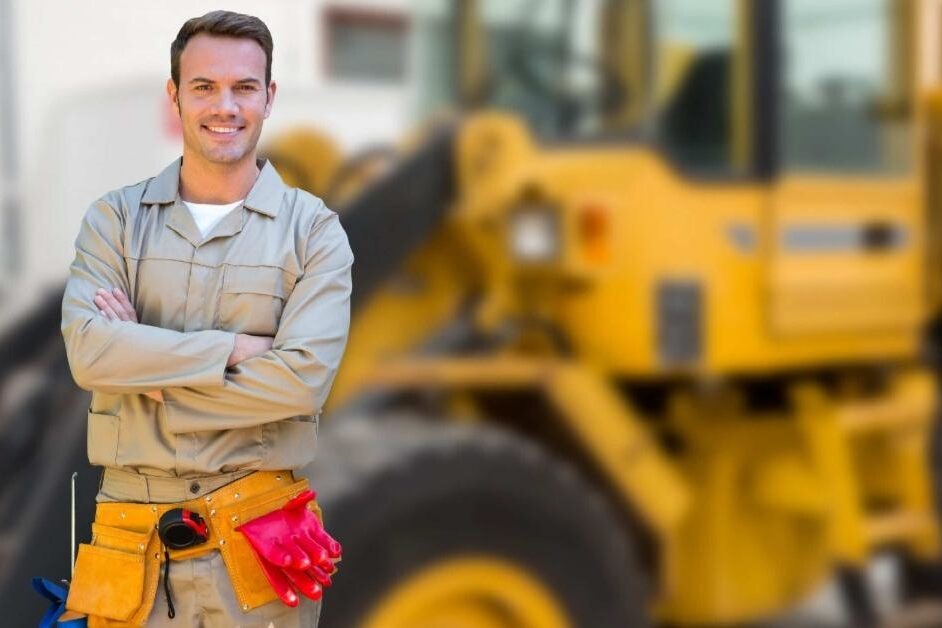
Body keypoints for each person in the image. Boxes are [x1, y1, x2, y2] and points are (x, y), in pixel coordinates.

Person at [60, 10, 352, 627]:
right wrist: (234, 350)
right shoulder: (114, 221)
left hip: (260, 542)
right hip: (131, 543)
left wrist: (150, 377)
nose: (225, 106)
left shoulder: (314, 232)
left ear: (269, 97)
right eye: (204, 87)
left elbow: (301, 383)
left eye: (244, 87)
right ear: (174, 97)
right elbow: (89, 352)